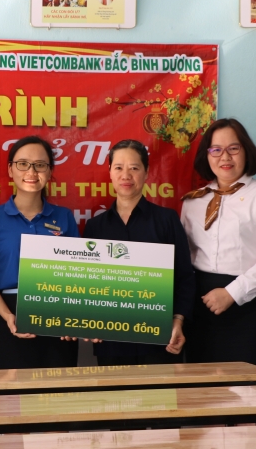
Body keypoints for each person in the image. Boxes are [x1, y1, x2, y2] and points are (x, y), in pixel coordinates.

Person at [181, 118, 256, 372]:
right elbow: (184, 256)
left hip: (252, 304)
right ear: (206, 155)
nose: (225, 157)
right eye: (216, 149)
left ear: (246, 151)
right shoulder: (192, 201)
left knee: (251, 386)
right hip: (203, 305)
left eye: (233, 148)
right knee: (204, 386)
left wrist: (232, 293)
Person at [0, 136, 80, 369]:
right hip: (10, 312)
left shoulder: (64, 217)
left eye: (40, 165)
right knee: (15, 391)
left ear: (50, 171)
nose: (31, 171)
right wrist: (8, 316)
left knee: (61, 389)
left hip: (59, 311)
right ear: (10, 169)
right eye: (23, 164)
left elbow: (76, 274)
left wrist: (72, 316)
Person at [84, 140, 195, 365]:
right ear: (110, 172)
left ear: (146, 172)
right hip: (109, 339)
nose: (126, 175)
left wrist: (178, 321)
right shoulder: (95, 227)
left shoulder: (167, 220)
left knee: (159, 389)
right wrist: (87, 321)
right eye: (118, 167)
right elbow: (86, 284)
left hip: (159, 338)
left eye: (134, 168)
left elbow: (184, 276)